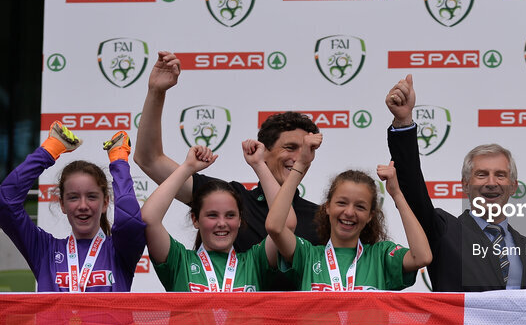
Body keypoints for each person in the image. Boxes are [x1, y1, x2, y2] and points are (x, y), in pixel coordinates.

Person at [134, 51, 321, 253]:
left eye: (307, 151)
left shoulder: (321, 219)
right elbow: (149, 160)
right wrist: (156, 91)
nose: (299, 158)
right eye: (290, 148)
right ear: (263, 151)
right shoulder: (230, 201)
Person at [385, 74, 526, 291]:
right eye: (481, 175)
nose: (491, 183)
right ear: (465, 184)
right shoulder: (443, 231)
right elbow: (413, 188)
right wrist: (403, 123)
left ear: (513, 186)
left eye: (500, 175)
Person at [266, 132, 432, 291]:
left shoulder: (380, 256)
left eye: (360, 206)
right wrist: (301, 164)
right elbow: (275, 227)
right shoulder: (308, 255)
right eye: (342, 203)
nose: (349, 212)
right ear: (328, 207)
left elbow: (422, 257)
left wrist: (397, 195)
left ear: (370, 216)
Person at [0, 122, 144, 291]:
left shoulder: (120, 250)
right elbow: (6, 203)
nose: (83, 205)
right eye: (73, 197)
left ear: (105, 202)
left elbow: (130, 222)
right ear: (62, 204)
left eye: (91, 197)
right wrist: (48, 151)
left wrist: (119, 161)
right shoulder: (44, 251)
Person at [142, 142, 287, 292]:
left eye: (230, 215)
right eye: (212, 215)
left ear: (240, 220)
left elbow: (285, 223)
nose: (222, 223)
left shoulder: (255, 262)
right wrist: (187, 168)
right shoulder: (180, 262)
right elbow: (149, 218)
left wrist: (259, 165)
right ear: (195, 220)